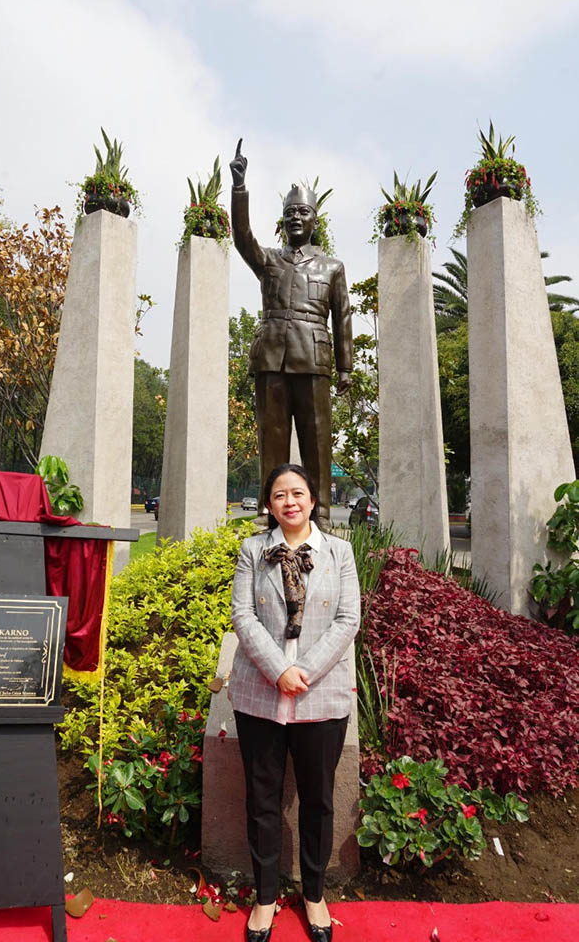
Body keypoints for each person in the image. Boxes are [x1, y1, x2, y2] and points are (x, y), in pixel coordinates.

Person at [229, 463, 360, 942]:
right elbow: (242, 614)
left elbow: (348, 619)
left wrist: (304, 671)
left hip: (320, 695)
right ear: (269, 504)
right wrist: (278, 670)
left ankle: (314, 894)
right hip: (260, 692)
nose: (290, 501)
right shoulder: (252, 551)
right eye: (280, 494)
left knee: (318, 801)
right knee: (262, 799)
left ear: (312, 500)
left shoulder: (339, 552)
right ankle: (265, 899)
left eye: (298, 493)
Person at [230, 139, 353, 532]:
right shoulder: (269, 260)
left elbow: (343, 316)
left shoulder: (332, 266)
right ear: (282, 221)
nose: (296, 218)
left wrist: (345, 367)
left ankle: (321, 515)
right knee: (273, 440)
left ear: (315, 219)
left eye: (303, 212)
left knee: (317, 441)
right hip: (272, 359)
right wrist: (239, 189)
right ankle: (271, 512)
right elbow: (242, 236)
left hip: (314, 360)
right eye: (289, 213)